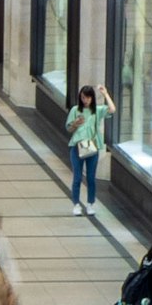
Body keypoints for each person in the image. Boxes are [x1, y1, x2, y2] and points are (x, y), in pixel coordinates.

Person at [64, 84, 109, 213]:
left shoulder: (97, 111)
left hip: (91, 147)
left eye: (88, 98)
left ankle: (90, 203)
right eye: (83, 97)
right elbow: (68, 128)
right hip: (77, 146)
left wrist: (105, 94)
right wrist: (75, 124)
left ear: (92, 98)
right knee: (77, 177)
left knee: (90, 177)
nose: (85, 100)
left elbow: (112, 109)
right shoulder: (75, 110)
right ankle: (76, 204)